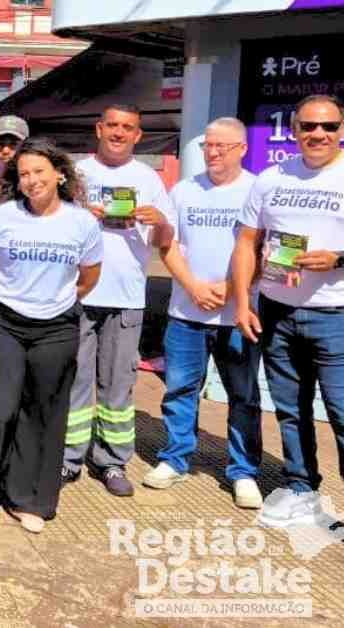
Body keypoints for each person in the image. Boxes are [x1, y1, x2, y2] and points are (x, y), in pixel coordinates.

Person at [230, 94, 344, 560]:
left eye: (328, 126)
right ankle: (301, 488)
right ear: (295, 130)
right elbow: (247, 243)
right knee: (290, 410)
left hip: (342, 316)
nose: (318, 134)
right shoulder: (272, 178)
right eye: (308, 126)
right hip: (277, 312)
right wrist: (242, 302)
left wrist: (339, 259)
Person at [0, 138, 102, 533]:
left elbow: (89, 275)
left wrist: (54, 300)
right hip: (3, 322)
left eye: (39, 171)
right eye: (24, 173)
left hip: (56, 327)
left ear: (59, 174)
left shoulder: (82, 223)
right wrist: (9, 300)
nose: (31, 180)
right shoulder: (2, 217)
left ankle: (26, 498)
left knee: (42, 413)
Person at [144, 118, 262, 508]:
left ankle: (243, 472)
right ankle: (175, 459)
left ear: (242, 149)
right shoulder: (184, 190)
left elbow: (263, 251)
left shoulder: (256, 190)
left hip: (237, 316)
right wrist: (193, 286)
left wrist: (232, 289)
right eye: (207, 145)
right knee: (180, 390)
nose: (212, 152)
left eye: (221, 146)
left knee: (243, 397)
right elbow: (168, 246)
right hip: (186, 313)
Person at [63, 103, 173, 497]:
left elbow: (164, 239)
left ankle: (111, 461)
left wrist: (159, 220)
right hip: (78, 293)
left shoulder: (148, 178)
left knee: (118, 387)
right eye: (112, 125)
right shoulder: (75, 174)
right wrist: (80, 215)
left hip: (126, 297)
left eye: (127, 127)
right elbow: (52, 226)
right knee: (73, 381)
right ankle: (68, 458)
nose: (118, 132)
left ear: (138, 135)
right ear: (99, 128)